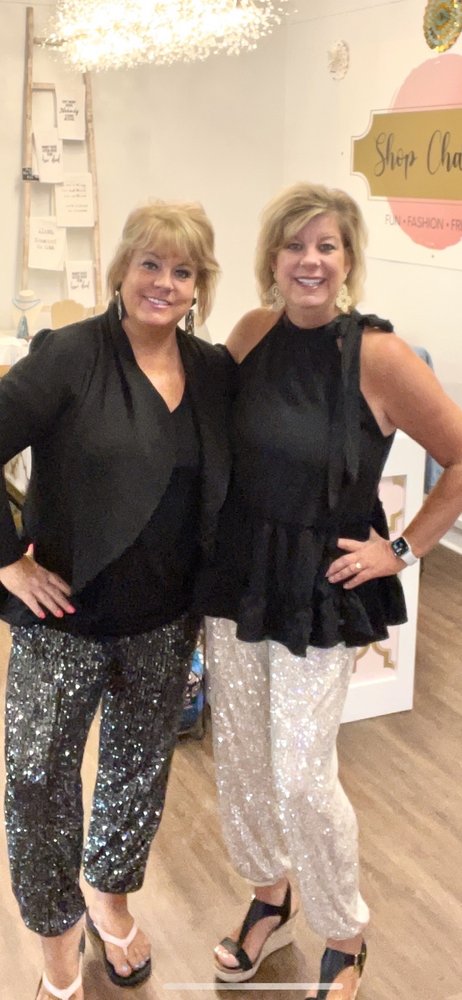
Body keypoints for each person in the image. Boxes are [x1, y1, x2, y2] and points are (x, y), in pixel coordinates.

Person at [198, 182, 462, 998]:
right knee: (242, 758)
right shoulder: (251, 332)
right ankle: (269, 896)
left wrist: (402, 549)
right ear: (271, 257)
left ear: (348, 260)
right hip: (238, 576)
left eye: (327, 245)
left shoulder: (378, 356)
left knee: (303, 777)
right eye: (294, 245)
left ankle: (345, 934)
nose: (309, 260)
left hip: (320, 588)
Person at [0, 200, 231, 1000]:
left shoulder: (212, 371)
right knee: (37, 783)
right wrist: (8, 562)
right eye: (149, 263)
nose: (163, 282)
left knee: (138, 774)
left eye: (182, 270)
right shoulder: (69, 355)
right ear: (122, 269)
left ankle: (109, 899)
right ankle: (57, 942)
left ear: (200, 286)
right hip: (65, 621)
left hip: (165, 623)